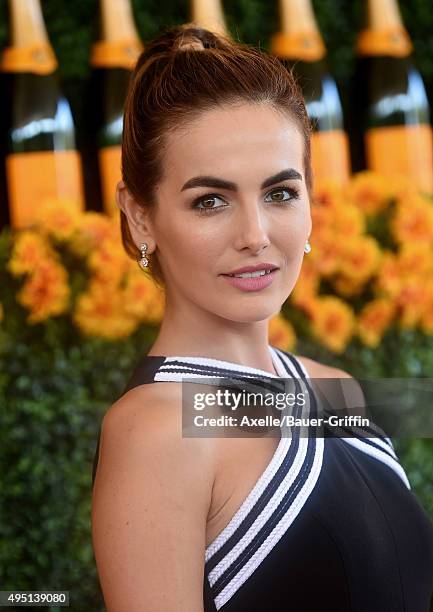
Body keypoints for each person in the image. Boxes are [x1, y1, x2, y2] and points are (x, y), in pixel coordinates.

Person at [91, 23, 433, 612]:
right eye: (210, 201)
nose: (255, 236)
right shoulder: (156, 431)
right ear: (140, 216)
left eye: (279, 193)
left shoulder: (335, 390)